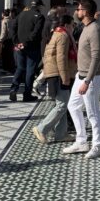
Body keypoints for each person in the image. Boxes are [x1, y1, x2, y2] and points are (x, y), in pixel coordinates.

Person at [64, 0, 100, 159]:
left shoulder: (95, 29)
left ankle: (97, 145)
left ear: (86, 12)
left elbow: (96, 57)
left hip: (92, 77)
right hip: (80, 75)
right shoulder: (85, 27)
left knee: (92, 112)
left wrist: (87, 81)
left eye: (79, 9)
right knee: (73, 106)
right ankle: (81, 141)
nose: (77, 11)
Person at [32, 14, 76, 144]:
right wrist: (65, 77)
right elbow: (61, 58)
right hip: (58, 74)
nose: (73, 28)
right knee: (62, 105)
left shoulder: (56, 33)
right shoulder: (63, 36)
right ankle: (41, 129)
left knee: (61, 104)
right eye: (72, 25)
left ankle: (61, 134)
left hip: (53, 72)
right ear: (67, 25)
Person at [9, 0, 45, 102]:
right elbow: (36, 32)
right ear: (39, 6)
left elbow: (13, 27)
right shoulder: (39, 17)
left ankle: (13, 89)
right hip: (32, 47)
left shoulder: (21, 14)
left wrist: (16, 42)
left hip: (19, 46)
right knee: (30, 71)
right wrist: (26, 43)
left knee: (20, 68)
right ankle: (27, 94)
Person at [0, 8, 17, 73]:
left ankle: (5, 69)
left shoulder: (4, 21)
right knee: (10, 55)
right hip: (11, 40)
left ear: (3, 14)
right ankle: (11, 69)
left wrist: (0, 40)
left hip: (6, 40)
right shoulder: (13, 20)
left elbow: (3, 32)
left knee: (5, 56)